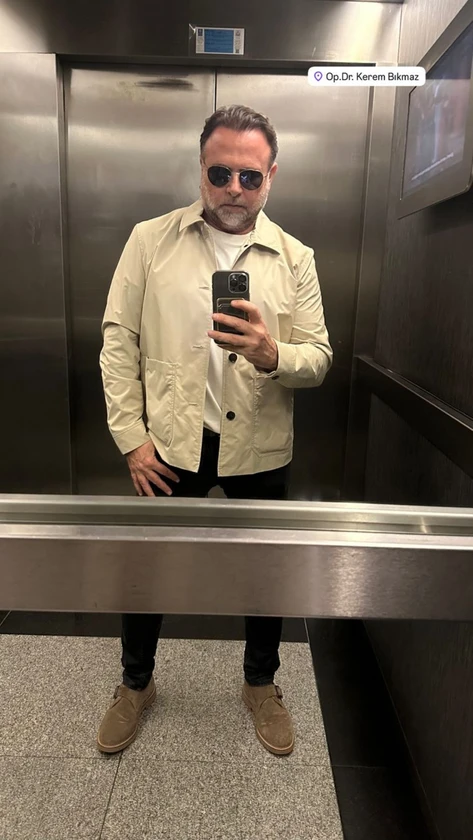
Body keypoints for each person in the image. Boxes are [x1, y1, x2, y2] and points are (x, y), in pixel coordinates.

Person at [98, 104, 333, 757]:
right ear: (200, 168)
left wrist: (271, 353)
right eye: (219, 173)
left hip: (259, 447)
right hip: (169, 445)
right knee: (146, 569)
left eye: (250, 176)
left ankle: (261, 684)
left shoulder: (295, 258)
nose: (234, 188)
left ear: (271, 176)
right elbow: (118, 341)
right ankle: (135, 683)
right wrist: (131, 438)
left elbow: (318, 358)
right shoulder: (150, 241)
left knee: (265, 573)